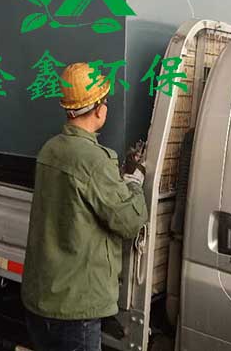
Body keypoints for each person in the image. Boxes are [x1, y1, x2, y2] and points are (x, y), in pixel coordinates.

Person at [22, 63, 149, 351]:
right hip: (76, 310)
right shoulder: (94, 160)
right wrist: (133, 181)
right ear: (99, 110)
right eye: (105, 101)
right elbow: (129, 222)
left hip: (41, 298)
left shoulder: (49, 149)